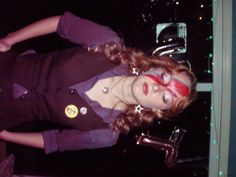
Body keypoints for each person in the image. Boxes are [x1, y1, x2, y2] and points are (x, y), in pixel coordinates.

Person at [0, 12, 197, 154]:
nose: (157, 87)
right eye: (165, 78)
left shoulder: (106, 134)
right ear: (158, 67)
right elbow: (62, 23)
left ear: (158, 110)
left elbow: (54, 141)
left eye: (165, 96)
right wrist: (10, 40)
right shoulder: (108, 44)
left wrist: (7, 135)